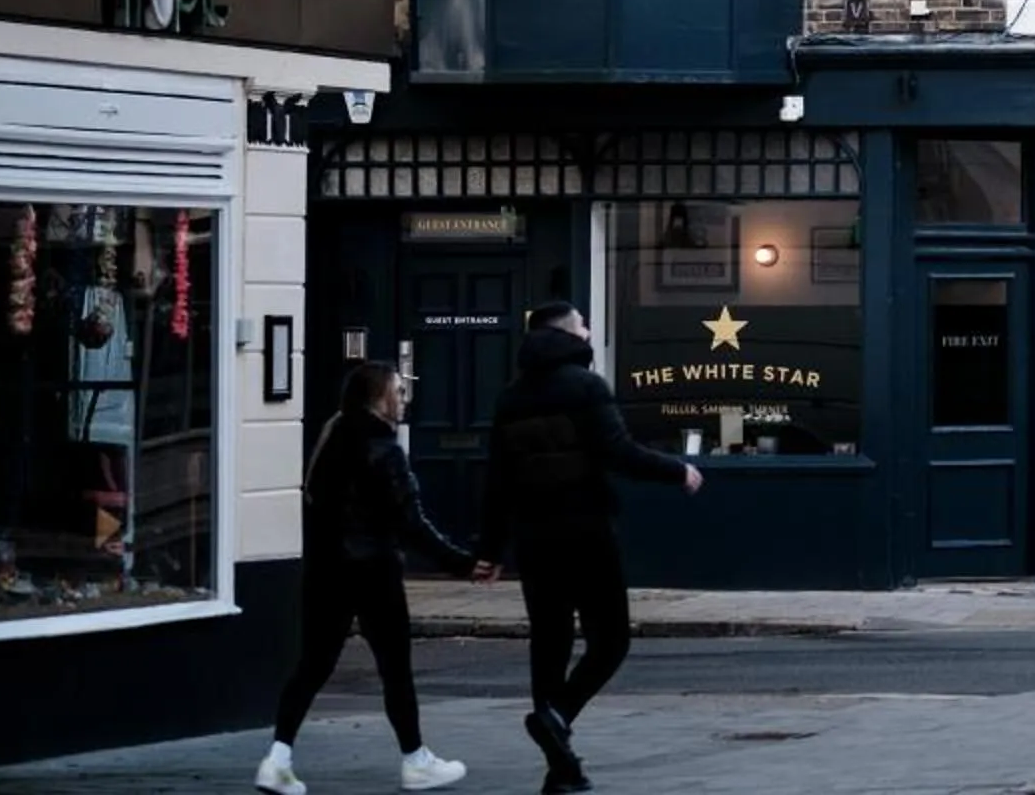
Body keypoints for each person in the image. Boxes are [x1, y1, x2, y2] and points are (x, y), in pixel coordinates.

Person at [477, 301, 702, 794]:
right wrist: (678, 469)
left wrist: (489, 548)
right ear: (567, 335)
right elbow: (618, 451)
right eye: (583, 325)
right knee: (610, 640)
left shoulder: (510, 397)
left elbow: (497, 478)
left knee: (550, 643)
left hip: (533, 538)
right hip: (585, 531)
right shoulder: (585, 386)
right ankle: (556, 717)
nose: (590, 331)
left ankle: (561, 768)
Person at [256, 362, 473, 794]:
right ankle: (415, 761)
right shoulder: (383, 448)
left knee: (312, 665)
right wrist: (461, 563)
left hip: (325, 570)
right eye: (398, 390)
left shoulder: (330, 436)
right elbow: (411, 522)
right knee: (395, 669)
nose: (404, 398)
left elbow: (314, 499)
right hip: (374, 572)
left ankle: (277, 757)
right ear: (379, 398)